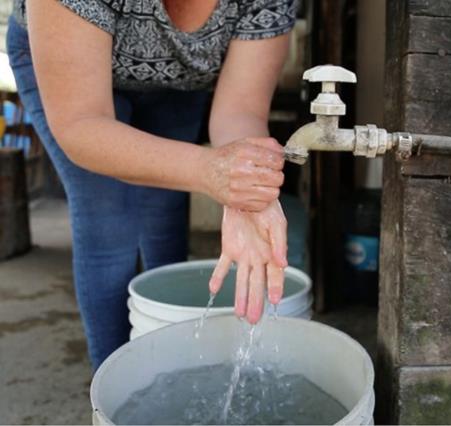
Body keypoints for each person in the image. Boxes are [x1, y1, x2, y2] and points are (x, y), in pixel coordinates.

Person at [8, 0, 296, 370]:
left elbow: (240, 113)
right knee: (108, 214)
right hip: (72, 71)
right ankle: (115, 390)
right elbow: (83, 124)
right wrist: (208, 169)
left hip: (177, 79)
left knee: (164, 206)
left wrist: (248, 189)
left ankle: (173, 362)